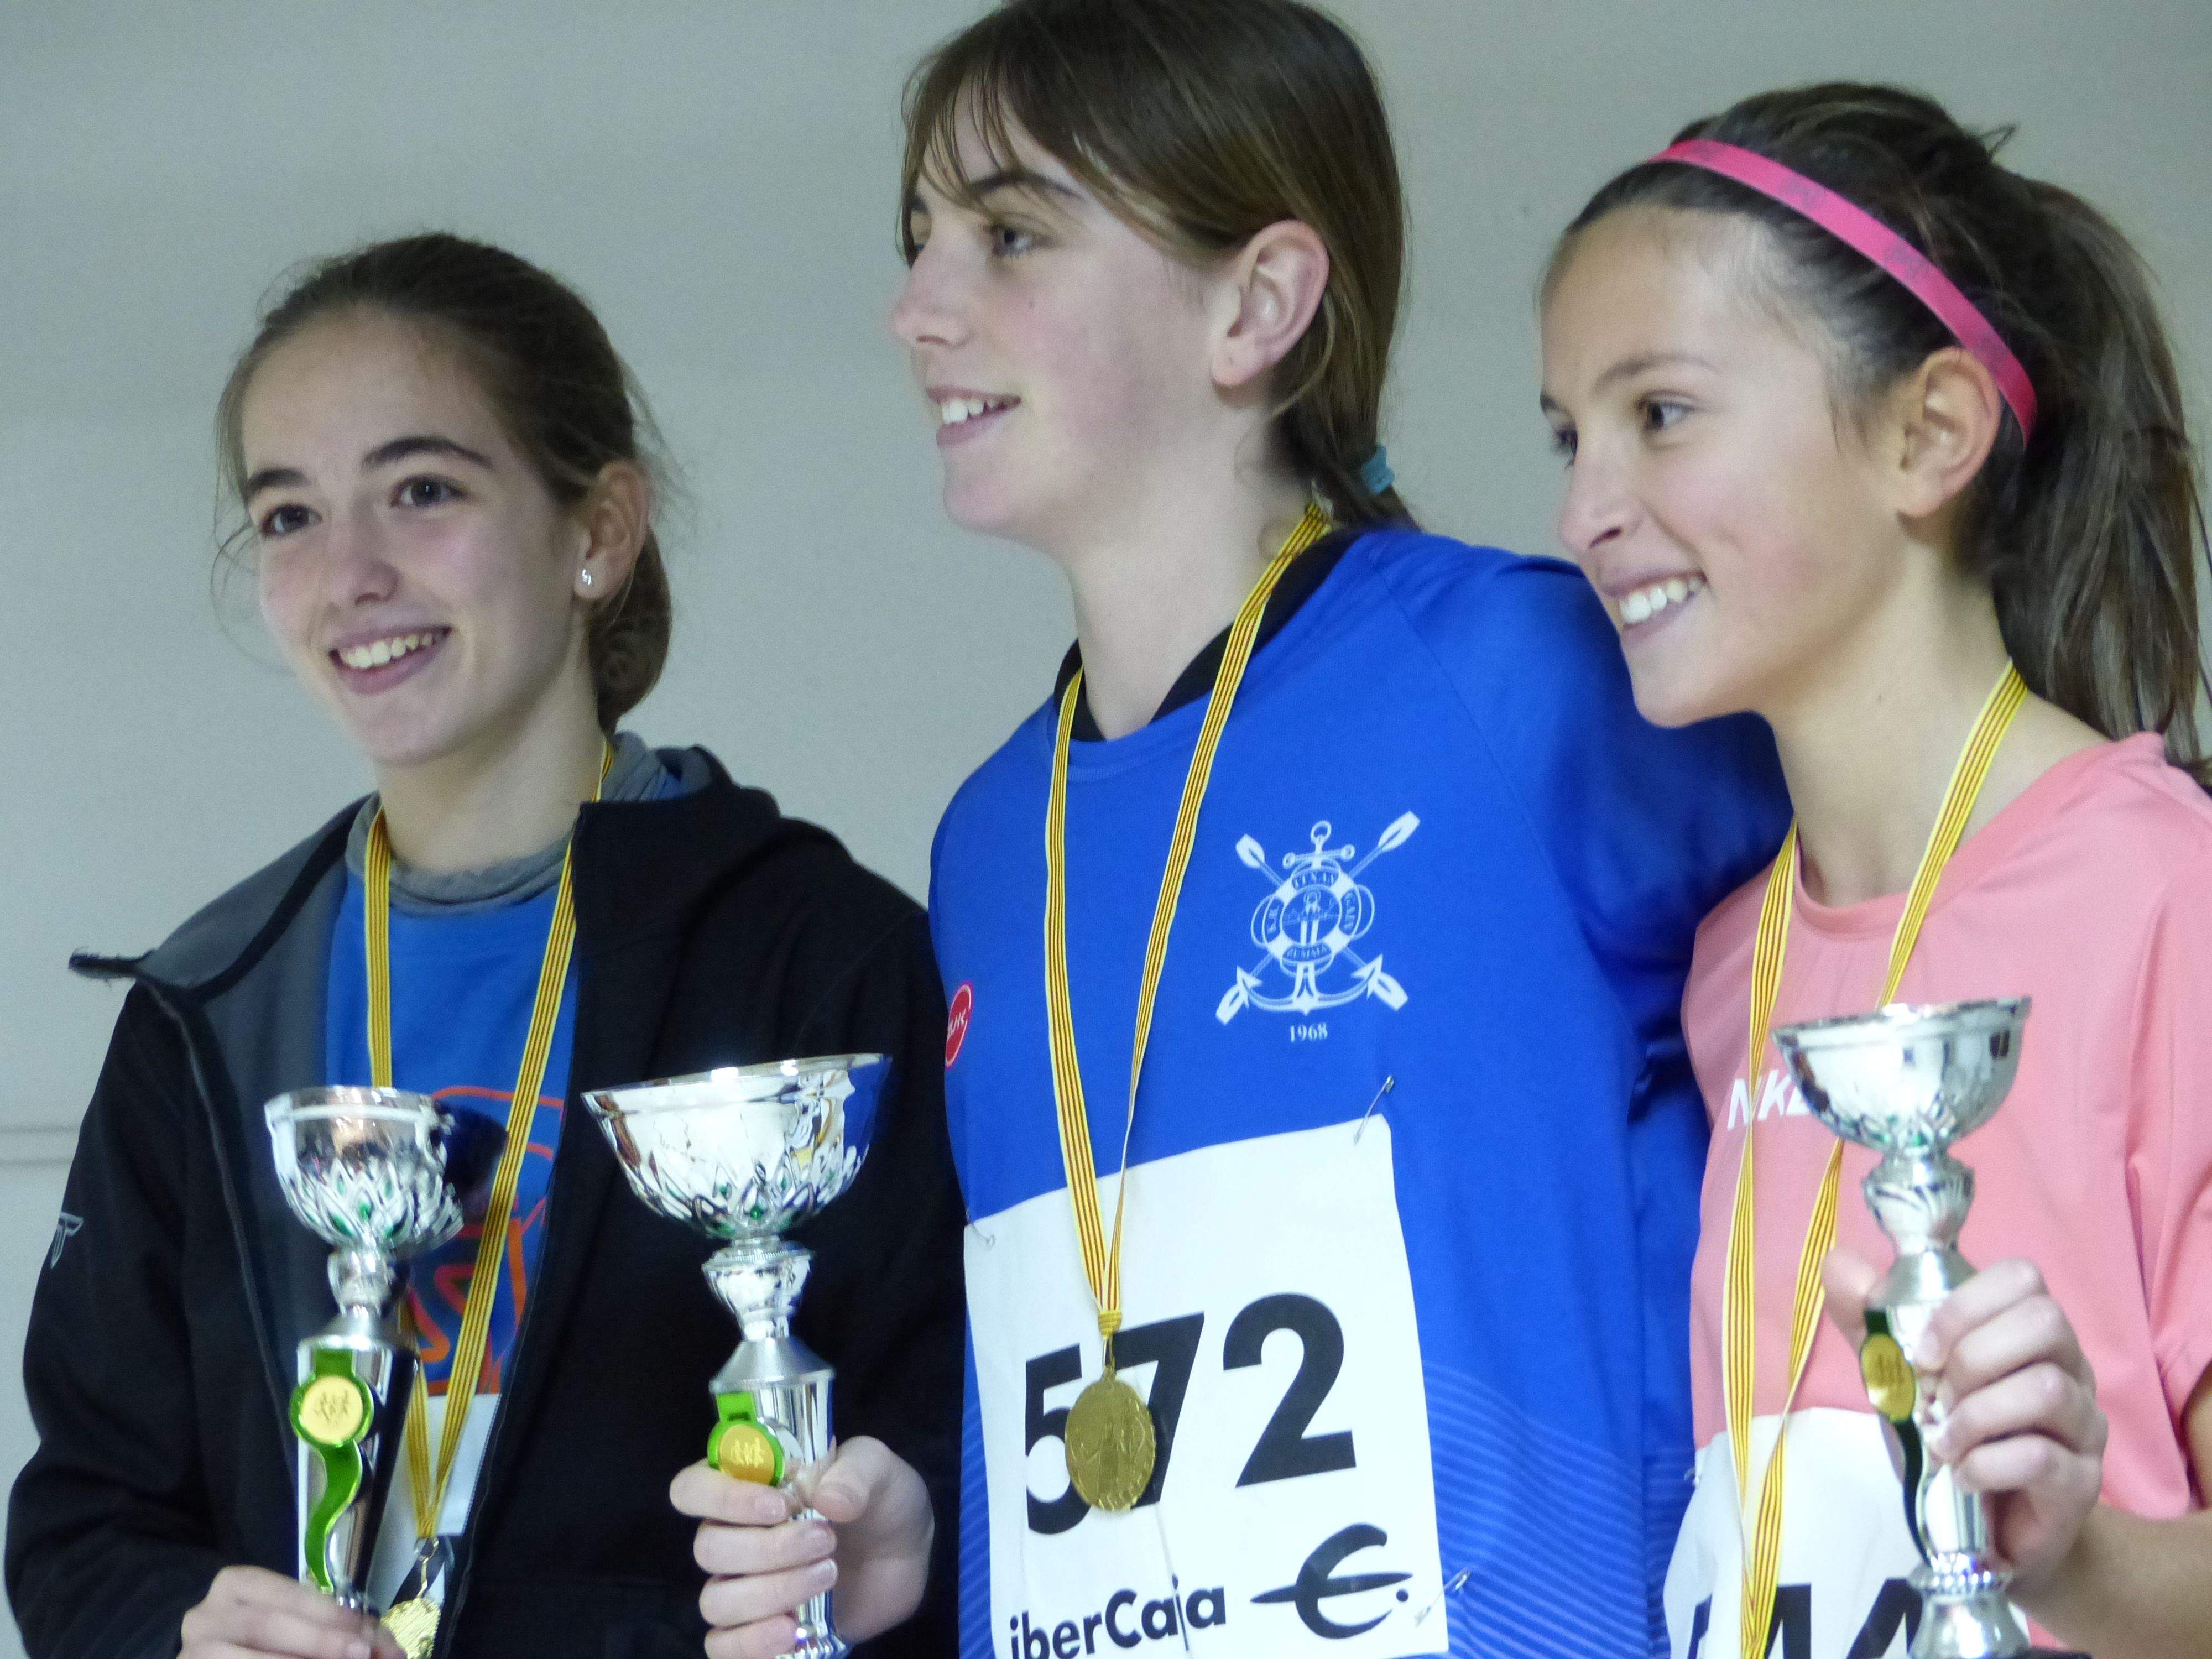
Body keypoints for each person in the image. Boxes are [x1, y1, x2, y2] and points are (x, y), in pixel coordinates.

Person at [676, 4, 1787, 1656]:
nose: (917, 310)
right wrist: (928, 1546)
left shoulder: (1524, 676)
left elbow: (1921, 940)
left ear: (1257, 304)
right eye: (920, 241)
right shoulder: (993, 840)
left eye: (1010, 235)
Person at [7, 234, 964, 1659]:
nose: (351, 576)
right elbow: (85, 1520)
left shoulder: (816, 958)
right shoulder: (213, 1007)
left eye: (423, 491)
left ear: (599, 530)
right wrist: (181, 1628)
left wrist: (906, 1550)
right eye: (288, 518)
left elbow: (957, 1469)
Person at [1539, 83, 2212, 1659]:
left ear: (1931, 434)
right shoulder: (1725, 967)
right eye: (1570, 436)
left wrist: (2072, 1568)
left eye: (1663, 414)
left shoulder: (2166, 893)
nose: (1585, 514)